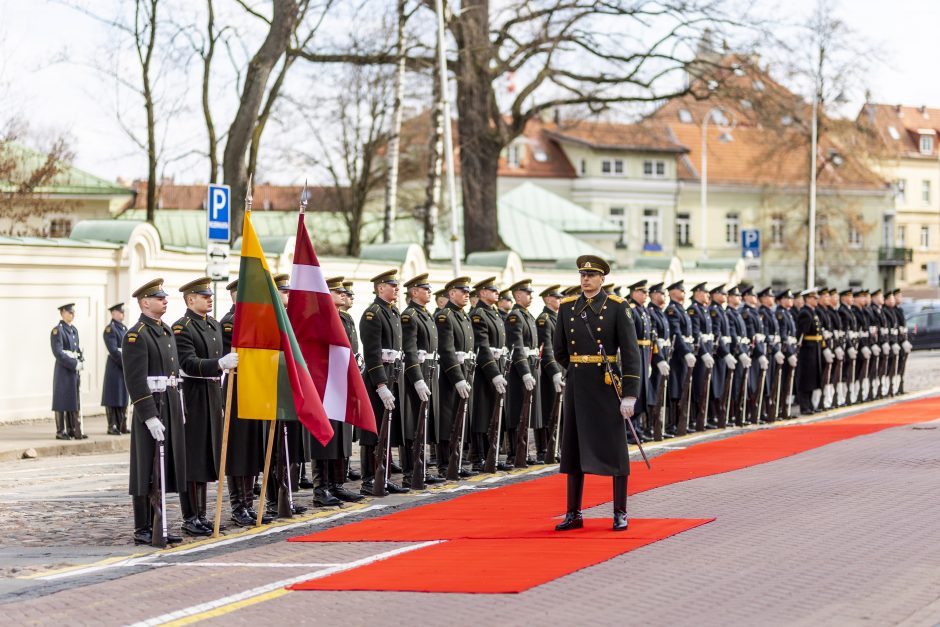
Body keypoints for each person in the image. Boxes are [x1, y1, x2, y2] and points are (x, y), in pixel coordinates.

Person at [553, 255, 641, 532]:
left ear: (602, 278)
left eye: (591, 275)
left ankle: (620, 511)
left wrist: (629, 394)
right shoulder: (567, 308)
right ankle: (574, 513)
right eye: (582, 275)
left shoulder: (617, 307)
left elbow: (630, 352)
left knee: (614, 450)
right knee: (573, 451)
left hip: (606, 386)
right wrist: (579, 370)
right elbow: (560, 350)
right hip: (579, 386)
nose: (586, 279)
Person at [172, 277, 239, 536]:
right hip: (193, 396)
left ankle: (201, 514)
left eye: (210, 295)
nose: (210, 298)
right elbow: (188, 363)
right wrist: (220, 364)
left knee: (208, 457)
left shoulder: (212, 325)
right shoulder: (182, 328)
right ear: (191, 299)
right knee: (193, 458)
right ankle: (190, 517)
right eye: (204, 296)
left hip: (212, 392)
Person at [123, 278, 185, 546]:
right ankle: (143, 527)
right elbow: (135, 380)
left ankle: (159, 522)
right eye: (159, 298)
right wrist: (148, 415)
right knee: (145, 466)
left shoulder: (165, 331)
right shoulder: (136, 334)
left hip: (169, 401)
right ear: (145, 302)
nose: (165, 300)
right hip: (151, 404)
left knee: (162, 466)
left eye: (164, 297)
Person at [306, 277, 363, 506]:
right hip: (325, 382)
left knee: (342, 435)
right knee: (325, 435)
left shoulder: (346, 319)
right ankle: (321, 489)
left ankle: (337, 484)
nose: (343, 294)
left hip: (343, 381)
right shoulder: (316, 318)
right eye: (337, 291)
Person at [219, 279, 270, 526]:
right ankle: (238, 505)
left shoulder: (254, 320)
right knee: (238, 451)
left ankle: (249, 504)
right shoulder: (229, 323)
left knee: (251, 450)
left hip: (253, 390)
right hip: (237, 391)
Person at [359, 269, 409, 495]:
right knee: (374, 430)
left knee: (387, 428)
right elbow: (371, 353)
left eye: (397, 285)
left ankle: (385, 475)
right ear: (380, 288)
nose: (397, 289)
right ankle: (371, 478)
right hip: (378, 378)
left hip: (393, 374)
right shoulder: (373, 313)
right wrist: (380, 384)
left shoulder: (392, 312)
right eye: (392, 285)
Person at [265, 273, 308, 516]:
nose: (288, 296)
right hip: (275, 388)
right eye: (284, 292)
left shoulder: (292, 319)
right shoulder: (271, 319)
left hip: (292, 387)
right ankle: (275, 497)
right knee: (276, 447)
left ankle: (287, 495)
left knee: (290, 446)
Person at [400, 273, 445, 487]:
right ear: (414, 292)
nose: (429, 291)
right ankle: (411, 471)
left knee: (424, 423)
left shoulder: (425, 315)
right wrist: (417, 378)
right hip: (417, 372)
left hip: (430, 370)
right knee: (413, 425)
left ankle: (422, 468)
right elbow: (409, 350)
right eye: (424, 289)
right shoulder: (410, 315)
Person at [435, 276, 475, 478]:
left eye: (468, 291)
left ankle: (457, 460)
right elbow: (447, 350)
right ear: (451, 293)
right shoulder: (445, 316)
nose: (467, 294)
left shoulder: (463, 315)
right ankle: (445, 463)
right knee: (448, 419)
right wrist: (458, 377)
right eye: (462, 291)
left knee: (460, 417)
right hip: (450, 375)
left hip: (465, 371)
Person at [469, 277, 507, 472]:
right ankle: (478, 456)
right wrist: (494, 373)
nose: (497, 293)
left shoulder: (494, 314)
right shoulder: (479, 314)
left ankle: (491, 453)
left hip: (497, 366)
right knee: (482, 415)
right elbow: (482, 348)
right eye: (493, 290)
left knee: (493, 413)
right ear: (483, 293)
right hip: (485, 371)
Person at [505, 279, 541, 465]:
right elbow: (517, 347)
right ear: (518, 295)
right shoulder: (515, 316)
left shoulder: (527, 315)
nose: (531, 296)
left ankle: (524, 451)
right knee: (519, 410)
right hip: (520, 370)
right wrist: (525, 372)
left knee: (528, 410)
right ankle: (516, 452)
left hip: (531, 366)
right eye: (527, 293)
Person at [535, 285, 564, 461]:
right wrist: (554, 372)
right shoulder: (544, 319)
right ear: (547, 299)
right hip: (548, 372)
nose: (560, 300)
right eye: (556, 297)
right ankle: (545, 449)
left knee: (559, 411)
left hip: (560, 369)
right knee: (548, 410)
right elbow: (546, 350)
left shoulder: (556, 318)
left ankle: (557, 447)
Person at [51, 303, 85, 440]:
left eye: (73, 312)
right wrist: (73, 363)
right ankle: (60, 430)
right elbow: (58, 353)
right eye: (70, 312)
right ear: (63, 313)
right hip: (63, 369)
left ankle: (72, 429)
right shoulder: (57, 331)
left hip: (73, 370)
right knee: (61, 400)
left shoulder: (73, 330)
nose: (72, 314)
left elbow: (76, 350)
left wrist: (81, 360)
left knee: (73, 399)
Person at [665, 281, 694, 436]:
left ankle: (680, 422)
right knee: (675, 391)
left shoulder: (681, 309)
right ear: (672, 292)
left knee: (683, 389)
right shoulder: (672, 310)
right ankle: (672, 424)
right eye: (679, 289)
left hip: (684, 355)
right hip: (677, 356)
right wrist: (685, 352)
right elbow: (676, 333)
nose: (683, 291)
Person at [340, 279, 362, 481]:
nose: (350, 297)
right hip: (338, 377)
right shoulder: (336, 318)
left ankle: (343, 469)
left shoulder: (347, 318)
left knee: (347, 426)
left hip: (349, 375)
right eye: (347, 294)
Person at [626, 280, 653, 442]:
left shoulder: (642, 310)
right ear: (634, 293)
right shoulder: (632, 309)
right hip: (635, 353)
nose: (645, 295)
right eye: (642, 292)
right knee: (634, 389)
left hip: (644, 353)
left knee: (642, 391)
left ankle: (636, 427)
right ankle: (630, 430)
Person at [687, 283, 715, 431]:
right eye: (705, 292)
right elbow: (697, 334)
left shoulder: (703, 309)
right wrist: (704, 352)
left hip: (708, 351)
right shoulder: (694, 309)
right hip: (700, 354)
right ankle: (696, 419)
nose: (707, 295)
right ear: (698, 292)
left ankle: (702, 419)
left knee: (705, 387)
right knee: (698, 388)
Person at [646, 282, 672, 439]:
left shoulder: (660, 312)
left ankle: (658, 426)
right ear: (653, 295)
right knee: (653, 393)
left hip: (665, 355)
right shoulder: (651, 312)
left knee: (660, 393)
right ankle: (650, 426)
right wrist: (659, 359)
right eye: (661, 293)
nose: (664, 296)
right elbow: (653, 339)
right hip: (655, 359)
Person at [707, 285, 734, 427]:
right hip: (718, 354)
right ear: (715, 294)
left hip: (723, 353)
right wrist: (725, 353)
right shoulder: (714, 311)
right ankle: (713, 416)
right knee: (715, 386)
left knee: (721, 386)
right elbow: (717, 334)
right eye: (722, 293)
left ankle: (719, 416)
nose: (725, 295)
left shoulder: (720, 310)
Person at [725, 285, 752, 425]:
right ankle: (733, 415)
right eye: (736, 296)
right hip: (736, 354)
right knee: (735, 386)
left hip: (742, 352)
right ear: (730, 298)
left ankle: (740, 414)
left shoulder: (736, 313)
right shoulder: (729, 313)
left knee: (742, 384)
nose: (739, 298)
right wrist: (741, 352)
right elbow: (733, 336)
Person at [795, 288, 824, 414]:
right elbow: (801, 334)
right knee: (806, 378)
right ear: (807, 299)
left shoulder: (813, 312)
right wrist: (798, 347)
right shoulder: (805, 313)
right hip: (807, 350)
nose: (816, 300)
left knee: (812, 378)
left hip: (814, 348)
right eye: (814, 298)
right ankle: (804, 405)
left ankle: (810, 404)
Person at [102, 303, 129, 435]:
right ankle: (112, 425)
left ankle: (122, 424)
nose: (122, 314)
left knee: (123, 396)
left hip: (124, 367)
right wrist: (125, 361)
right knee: (113, 396)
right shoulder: (110, 329)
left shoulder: (124, 328)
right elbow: (113, 350)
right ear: (113, 314)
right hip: (115, 366)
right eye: (119, 312)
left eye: (122, 312)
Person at [775, 289, 799, 417]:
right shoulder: (780, 313)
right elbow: (783, 336)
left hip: (790, 349)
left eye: (791, 298)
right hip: (784, 352)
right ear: (781, 300)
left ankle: (784, 408)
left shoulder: (787, 313)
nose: (790, 301)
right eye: (787, 299)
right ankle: (780, 408)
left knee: (788, 382)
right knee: (783, 381)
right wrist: (790, 353)